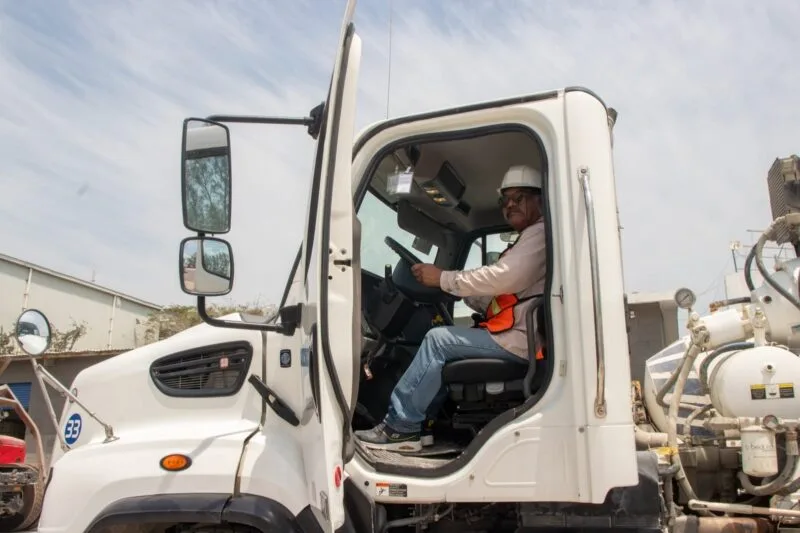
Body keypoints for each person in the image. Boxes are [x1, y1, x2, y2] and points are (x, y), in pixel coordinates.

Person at [355, 164, 547, 452]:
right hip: (515, 336)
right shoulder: (531, 238)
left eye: (518, 198)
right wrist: (447, 286)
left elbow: (502, 277)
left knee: (438, 341)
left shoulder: (539, 234)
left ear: (539, 200)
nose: (509, 206)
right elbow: (499, 292)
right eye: (505, 200)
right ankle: (423, 431)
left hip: (517, 342)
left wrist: (443, 278)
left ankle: (399, 428)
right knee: (442, 342)